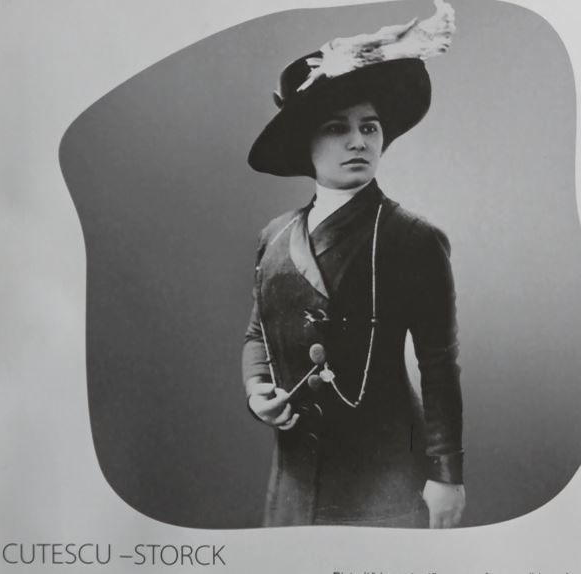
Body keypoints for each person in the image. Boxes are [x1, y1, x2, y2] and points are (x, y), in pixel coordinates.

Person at [242, 0, 465, 528]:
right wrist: (256, 392)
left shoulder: (413, 238)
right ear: (306, 143)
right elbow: (256, 335)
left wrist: (446, 476)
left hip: (385, 472)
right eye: (336, 127)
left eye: (369, 127)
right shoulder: (274, 237)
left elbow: (438, 365)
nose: (357, 141)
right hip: (294, 474)